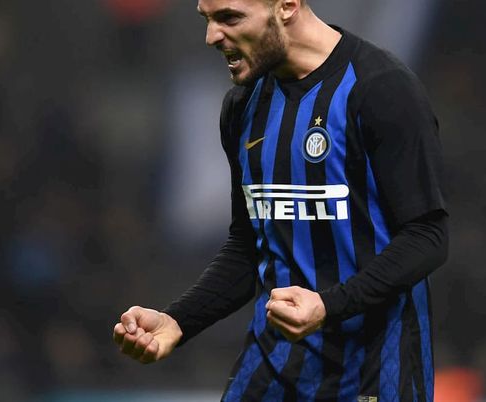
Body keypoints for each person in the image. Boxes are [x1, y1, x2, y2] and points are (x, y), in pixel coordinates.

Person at [112, 0, 448, 400]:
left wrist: (328, 306)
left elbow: (427, 236)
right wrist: (178, 320)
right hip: (273, 367)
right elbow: (248, 246)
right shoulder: (243, 104)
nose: (211, 36)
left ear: (287, 6)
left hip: (373, 372)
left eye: (229, 17)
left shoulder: (380, 87)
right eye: (207, 19)